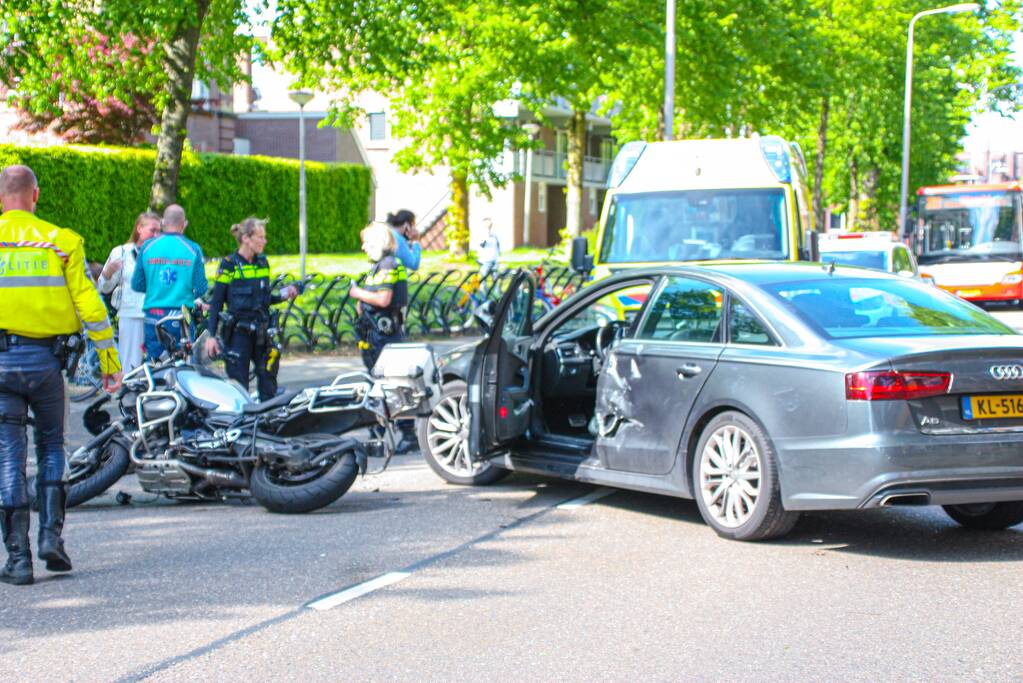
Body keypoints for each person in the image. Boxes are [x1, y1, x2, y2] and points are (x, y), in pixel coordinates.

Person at [0, 164, 122, 585]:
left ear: (1, 198)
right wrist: (110, 365)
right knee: (52, 445)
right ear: (35, 196)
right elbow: (92, 311)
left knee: (8, 455)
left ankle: (17, 560)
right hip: (47, 365)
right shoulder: (63, 243)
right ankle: (51, 540)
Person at [204, 217, 299, 400]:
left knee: (268, 382)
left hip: (262, 334)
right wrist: (211, 336)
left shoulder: (262, 263)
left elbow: (265, 298)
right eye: (260, 237)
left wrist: (286, 293)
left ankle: (268, 423)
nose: (265, 241)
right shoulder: (229, 264)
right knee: (239, 388)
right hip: (238, 335)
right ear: (246, 239)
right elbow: (217, 302)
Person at [348, 222, 417, 454]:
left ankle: (406, 433)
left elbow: (384, 299)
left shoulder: (387, 265)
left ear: (378, 242)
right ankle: (377, 435)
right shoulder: (379, 265)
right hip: (375, 335)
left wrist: (357, 293)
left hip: (384, 336)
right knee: (380, 386)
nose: (363, 247)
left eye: (367, 242)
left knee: (390, 386)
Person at [131, 204, 208, 361]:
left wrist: (155, 286)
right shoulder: (193, 249)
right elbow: (201, 288)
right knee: (183, 363)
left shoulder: (147, 247)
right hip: (181, 315)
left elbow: (137, 284)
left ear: (163, 222)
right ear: (184, 223)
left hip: (153, 315)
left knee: (155, 362)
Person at [97, 211, 162, 373]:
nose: (156, 235)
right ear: (139, 228)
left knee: (157, 364)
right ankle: (128, 396)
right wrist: (108, 273)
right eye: (152, 230)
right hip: (131, 315)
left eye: (159, 231)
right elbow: (103, 287)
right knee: (130, 364)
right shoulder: (121, 252)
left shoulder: (163, 254)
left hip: (158, 316)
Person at [477, 217, 501, 284]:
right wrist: (486, 235)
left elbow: (498, 247)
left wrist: (498, 258)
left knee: (495, 280)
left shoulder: (494, 235)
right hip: (485, 261)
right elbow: (481, 245)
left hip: (494, 260)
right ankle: (483, 293)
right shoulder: (482, 235)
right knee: (483, 280)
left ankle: (497, 293)